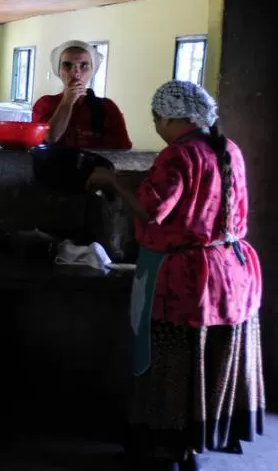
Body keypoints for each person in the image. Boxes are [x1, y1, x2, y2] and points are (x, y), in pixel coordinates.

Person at [87, 80, 264, 471]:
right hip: (232, 271)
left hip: (187, 276)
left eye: (156, 120)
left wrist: (112, 181)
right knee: (206, 358)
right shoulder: (228, 149)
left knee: (171, 362)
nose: (157, 128)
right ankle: (199, 443)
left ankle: (166, 451)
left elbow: (153, 212)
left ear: (168, 117)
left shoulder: (178, 155)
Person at [32, 40, 132, 150]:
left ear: (92, 70)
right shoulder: (45, 104)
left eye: (84, 65)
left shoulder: (107, 108)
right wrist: (67, 101)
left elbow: (123, 151)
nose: (76, 73)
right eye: (67, 65)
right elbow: (50, 137)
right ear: (58, 70)